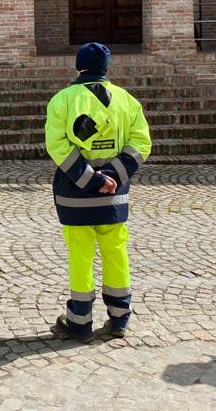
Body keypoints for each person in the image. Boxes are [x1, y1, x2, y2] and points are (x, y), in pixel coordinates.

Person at [45, 42, 152, 341]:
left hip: (75, 194)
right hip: (114, 194)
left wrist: (91, 178)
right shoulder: (126, 100)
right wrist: (113, 176)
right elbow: (141, 143)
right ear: (107, 68)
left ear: (79, 67)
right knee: (116, 253)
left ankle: (79, 321)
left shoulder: (63, 100)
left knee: (80, 256)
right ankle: (119, 318)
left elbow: (58, 146)